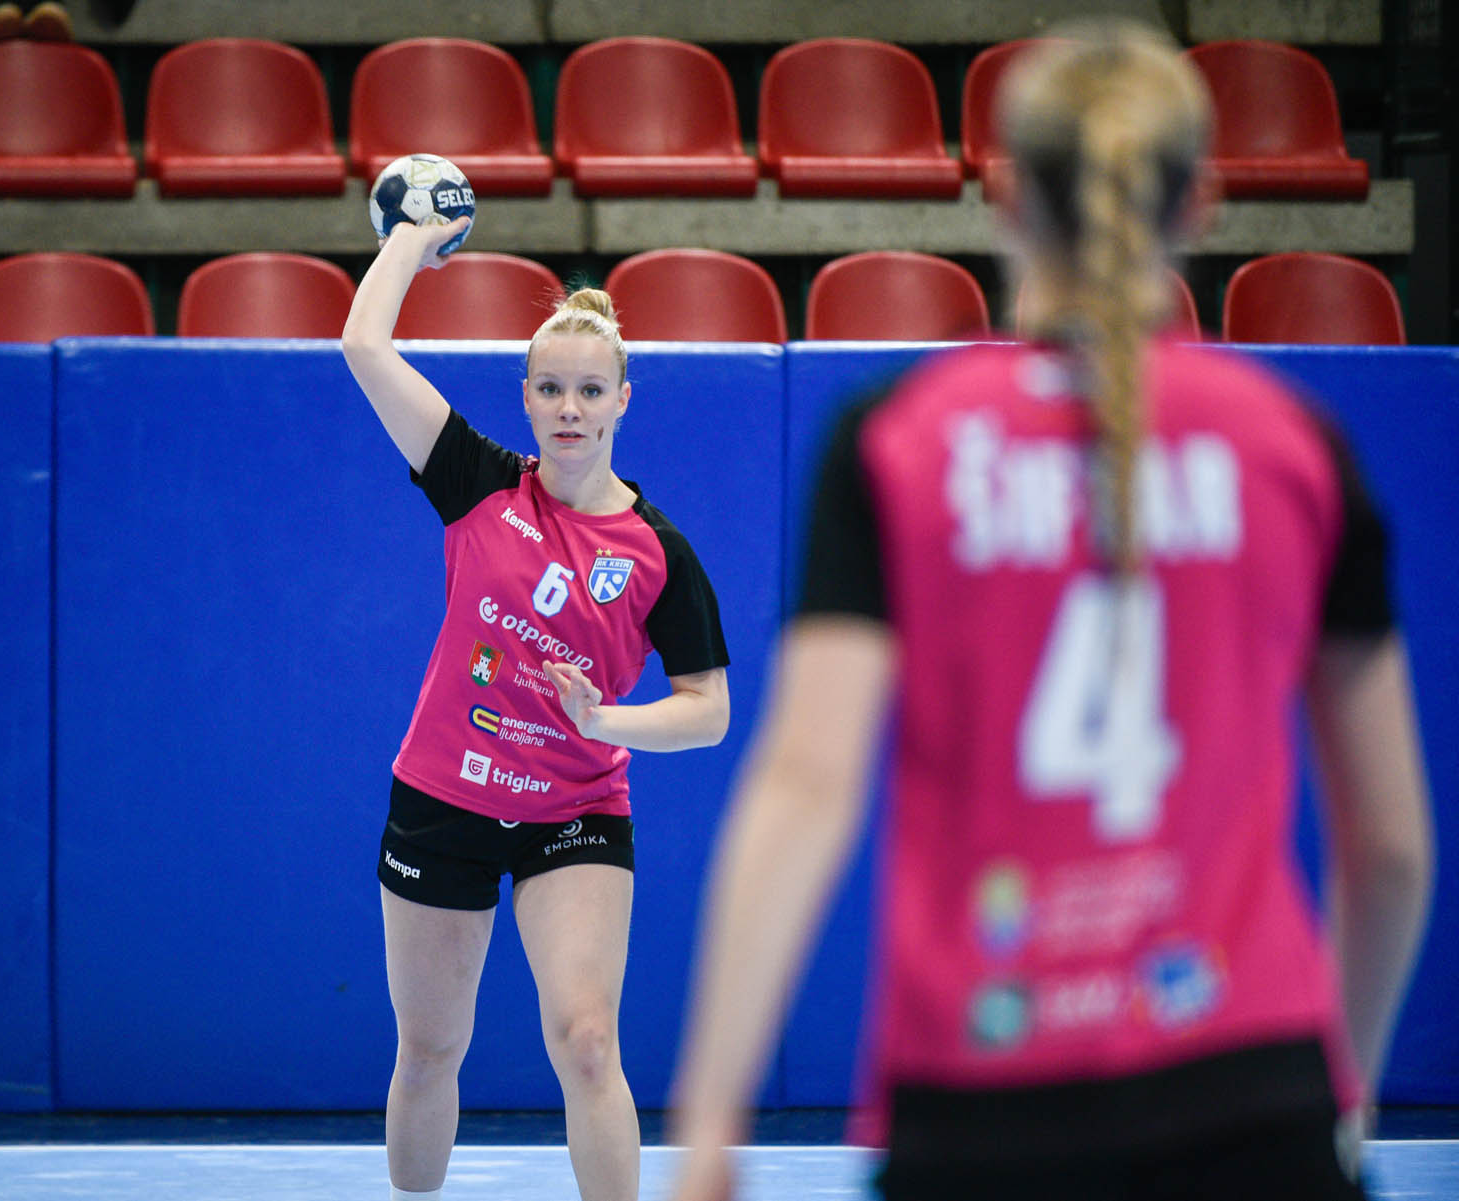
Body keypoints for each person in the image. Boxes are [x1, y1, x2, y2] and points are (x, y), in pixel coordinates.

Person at [666, 19, 1432, 1201]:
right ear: (1201, 203)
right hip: (1253, 1089)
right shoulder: (1296, 447)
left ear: (1008, 195)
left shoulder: (900, 441)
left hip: (985, 1093)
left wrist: (711, 1122)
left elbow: (807, 783)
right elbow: (1389, 849)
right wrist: (1342, 1090)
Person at [342, 217, 732, 1201]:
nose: (569, 408)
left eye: (590, 390)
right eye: (551, 388)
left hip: (576, 810)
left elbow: (709, 711)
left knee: (588, 1040)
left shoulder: (659, 553)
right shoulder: (477, 482)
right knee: (431, 1049)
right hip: (444, 800)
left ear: (622, 400)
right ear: (525, 395)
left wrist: (606, 723)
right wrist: (413, 240)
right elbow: (362, 346)